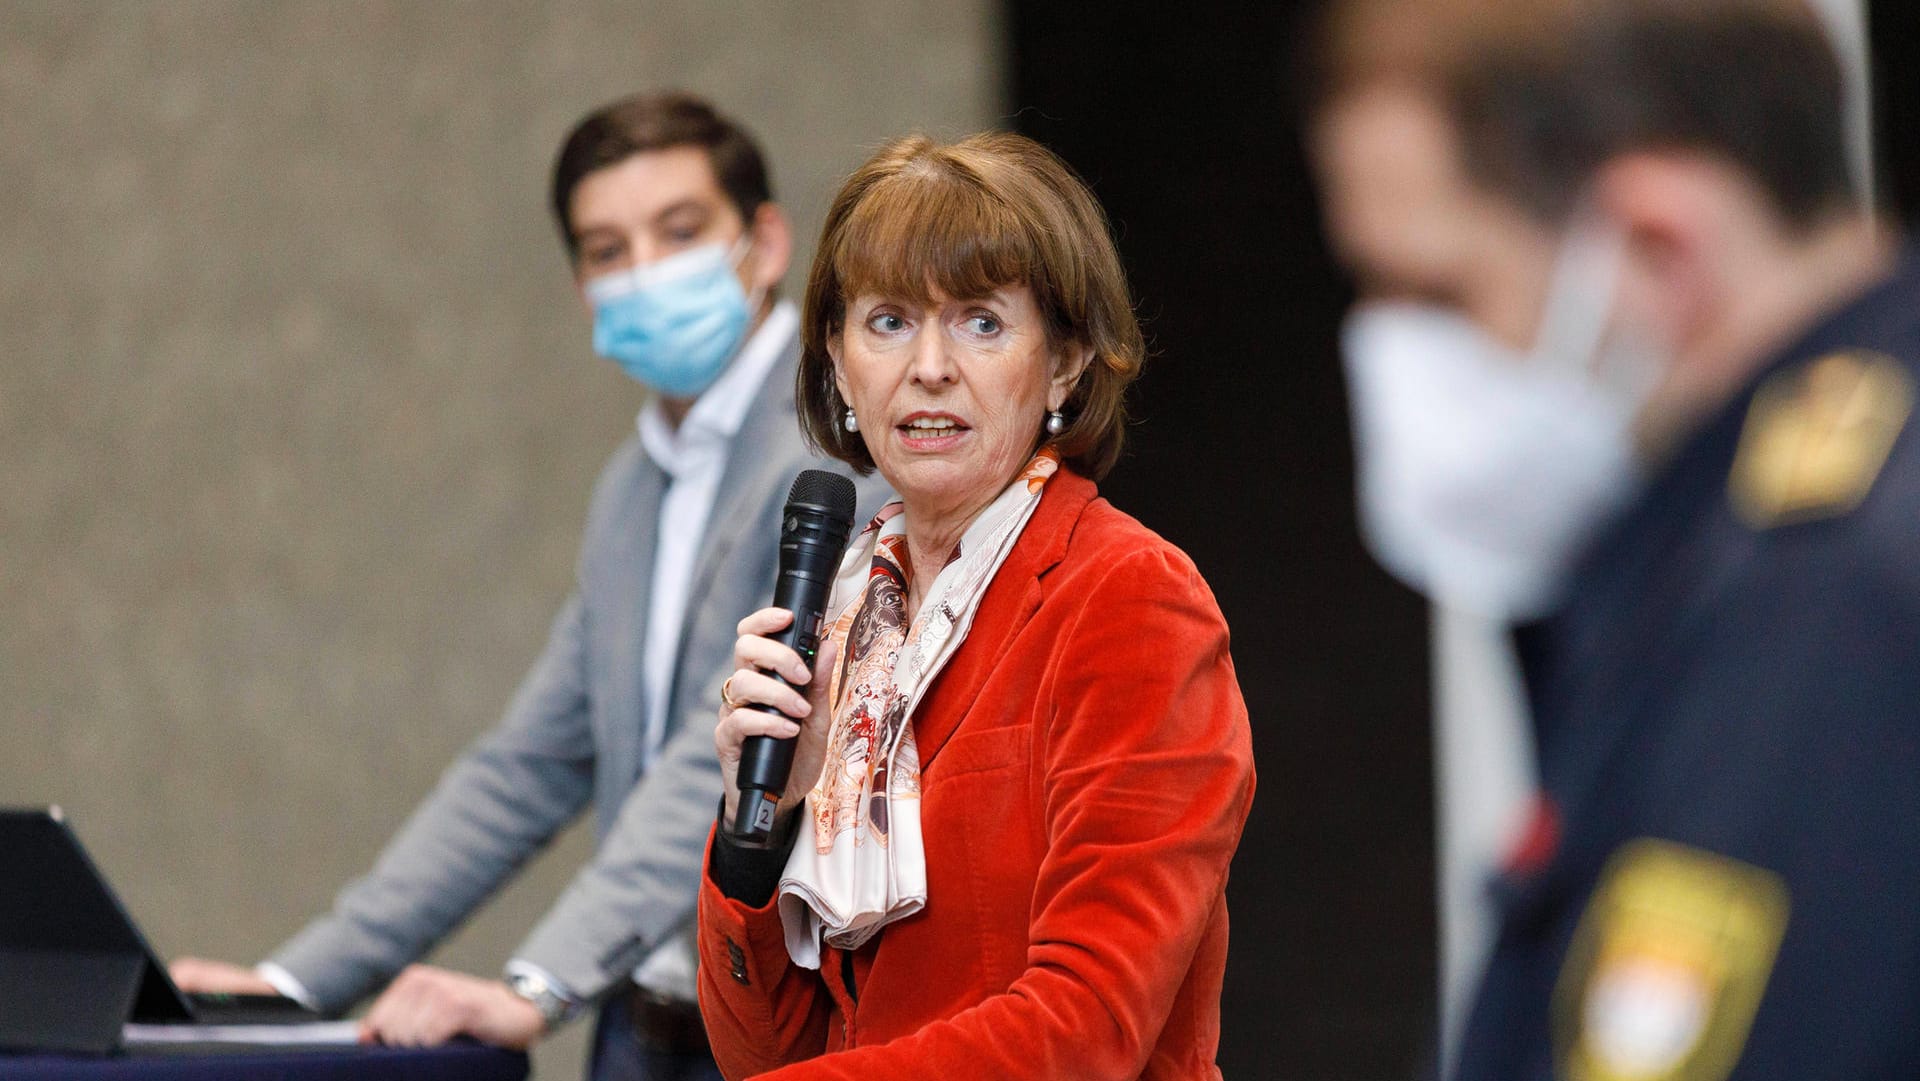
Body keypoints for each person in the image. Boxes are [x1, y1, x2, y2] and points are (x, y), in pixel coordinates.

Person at [170, 92, 886, 1080]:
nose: (644, 271)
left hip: (784, 1032)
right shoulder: (634, 486)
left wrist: (536, 983)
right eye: (605, 249)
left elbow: (711, 761)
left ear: (765, 244)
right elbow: (528, 763)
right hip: (643, 1025)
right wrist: (295, 985)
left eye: (679, 232)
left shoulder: (837, 449)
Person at [1309, 0, 1920, 1075]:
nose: (1394, 357)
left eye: (1440, 289)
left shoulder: (1827, 603)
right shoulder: (1740, 543)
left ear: (1659, 246)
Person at [691, 132, 1257, 1078]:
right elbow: (764, 1049)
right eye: (887, 322)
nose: (930, 366)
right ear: (836, 357)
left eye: (982, 323)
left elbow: (1090, 1026)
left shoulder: (1129, 598)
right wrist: (762, 826)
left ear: (1067, 363)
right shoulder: (843, 615)